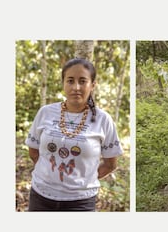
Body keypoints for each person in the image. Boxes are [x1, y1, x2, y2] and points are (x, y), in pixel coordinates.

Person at [25, 58, 123, 211]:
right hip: (40, 196)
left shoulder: (103, 119)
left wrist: (82, 182)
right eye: (70, 81)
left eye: (82, 81)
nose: (76, 87)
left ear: (93, 85)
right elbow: (33, 151)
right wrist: (48, 175)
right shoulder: (46, 112)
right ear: (63, 83)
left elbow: (111, 164)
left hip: (81, 202)